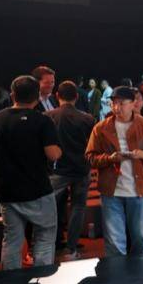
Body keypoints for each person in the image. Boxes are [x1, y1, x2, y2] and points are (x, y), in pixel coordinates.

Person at [0, 75, 61, 271]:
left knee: (12, 239)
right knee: (45, 236)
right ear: (37, 96)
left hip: (6, 189)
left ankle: (10, 282)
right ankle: (42, 277)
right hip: (37, 188)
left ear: (12, 95)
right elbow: (53, 154)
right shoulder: (42, 120)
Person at [86, 86, 143, 256]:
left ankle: (141, 270)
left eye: (121, 103)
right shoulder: (101, 128)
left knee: (140, 238)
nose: (117, 107)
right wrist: (110, 158)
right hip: (111, 192)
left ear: (133, 104)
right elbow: (91, 157)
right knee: (114, 241)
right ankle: (118, 272)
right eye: (113, 103)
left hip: (140, 190)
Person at [46, 80, 95, 258]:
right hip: (81, 169)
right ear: (76, 97)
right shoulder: (88, 118)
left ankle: (46, 246)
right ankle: (71, 249)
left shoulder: (48, 116)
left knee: (47, 207)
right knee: (78, 207)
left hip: (57, 170)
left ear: (57, 96)